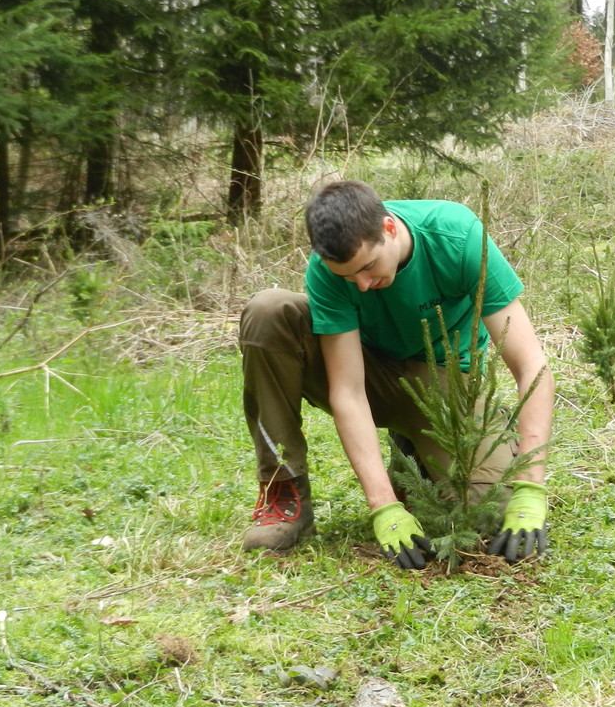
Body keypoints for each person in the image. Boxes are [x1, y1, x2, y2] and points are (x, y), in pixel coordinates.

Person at [237, 179, 554, 568]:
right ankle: (283, 489)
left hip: (444, 383)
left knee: (488, 515)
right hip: (372, 375)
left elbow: (530, 365)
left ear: (389, 228)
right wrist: (383, 506)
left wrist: (530, 486)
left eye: (369, 267)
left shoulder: (456, 235)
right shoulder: (329, 270)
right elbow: (349, 392)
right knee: (269, 310)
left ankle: (416, 451)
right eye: (349, 277)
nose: (364, 285)